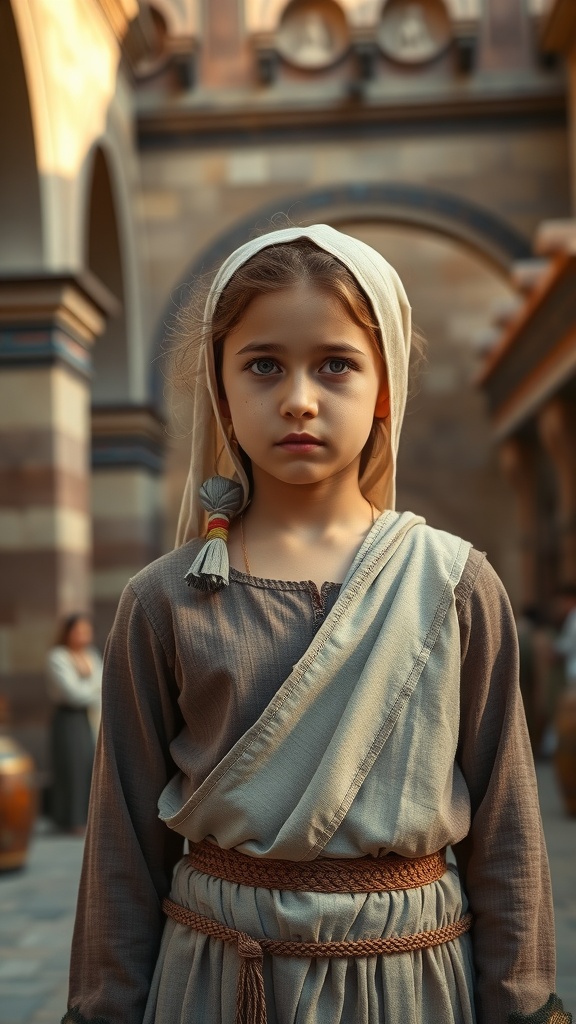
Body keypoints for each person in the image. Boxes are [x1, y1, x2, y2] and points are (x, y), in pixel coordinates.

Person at [63, 225, 571, 1024]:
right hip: (221, 982)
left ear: (385, 390)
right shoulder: (165, 599)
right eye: (263, 365)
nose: (299, 397)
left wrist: (525, 1003)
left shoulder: (454, 584)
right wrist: (103, 1008)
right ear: (222, 393)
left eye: (336, 364)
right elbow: (121, 841)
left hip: (408, 983)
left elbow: (507, 825)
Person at [46, 613, 102, 835]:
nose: (82, 636)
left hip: (90, 716)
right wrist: (95, 689)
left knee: (90, 764)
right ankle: (70, 819)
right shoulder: (57, 656)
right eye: (77, 631)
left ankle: (87, 817)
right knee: (71, 767)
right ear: (67, 633)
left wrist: (93, 689)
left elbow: (103, 681)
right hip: (67, 717)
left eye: (85, 631)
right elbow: (71, 694)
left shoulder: (91, 654)